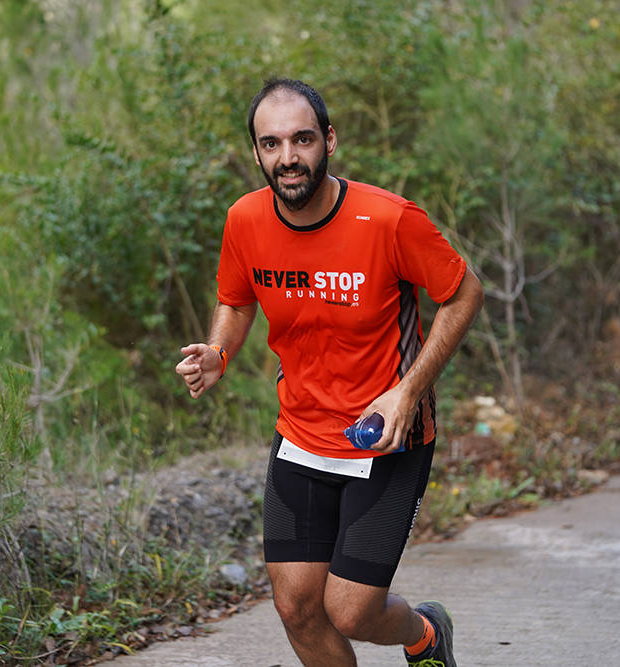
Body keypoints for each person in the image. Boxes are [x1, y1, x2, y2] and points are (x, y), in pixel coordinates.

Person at [175, 77, 484, 667]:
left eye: (302, 140)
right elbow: (237, 301)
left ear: (329, 141)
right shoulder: (244, 220)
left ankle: (423, 636)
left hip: (385, 439)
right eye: (271, 144)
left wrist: (408, 391)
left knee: (352, 611)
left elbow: (464, 292)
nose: (288, 158)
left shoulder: (389, 219)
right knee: (297, 609)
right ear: (258, 151)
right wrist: (219, 352)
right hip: (301, 436)